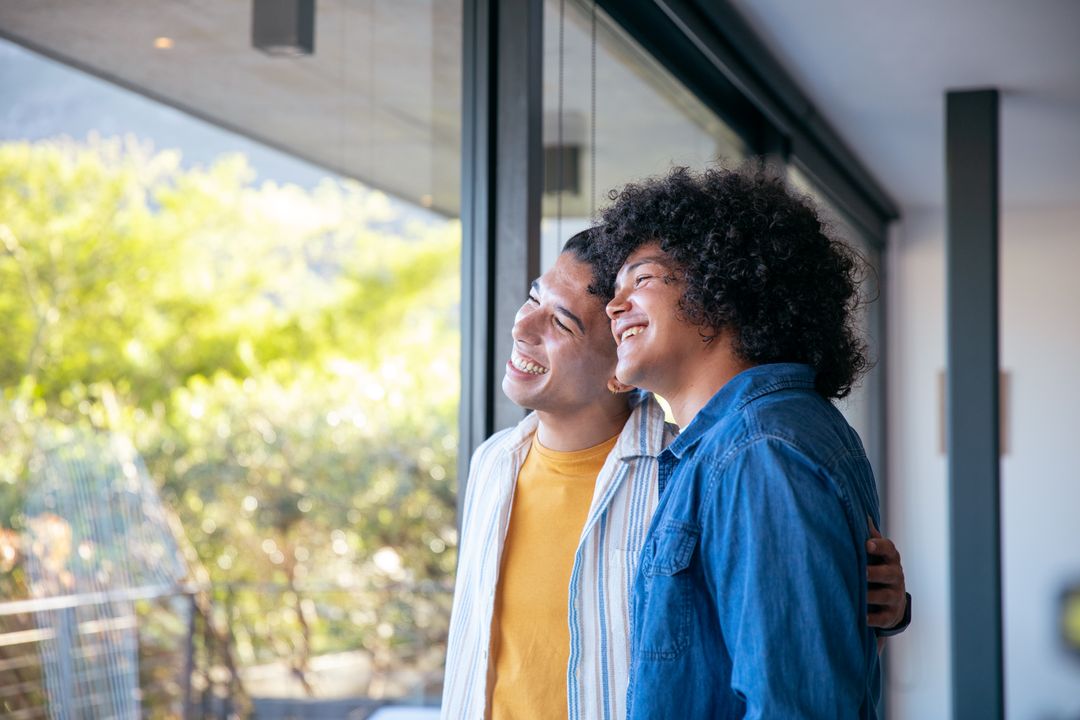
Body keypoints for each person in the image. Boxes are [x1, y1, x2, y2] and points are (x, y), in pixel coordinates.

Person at [441, 227, 908, 720]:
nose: (522, 328)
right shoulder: (492, 462)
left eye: (561, 322)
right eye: (533, 298)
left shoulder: (694, 469)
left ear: (619, 366)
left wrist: (877, 611)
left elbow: (794, 669)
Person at [592, 164, 895, 718]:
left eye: (641, 280)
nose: (614, 308)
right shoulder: (744, 443)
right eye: (615, 291)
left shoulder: (758, 450)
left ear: (720, 285)